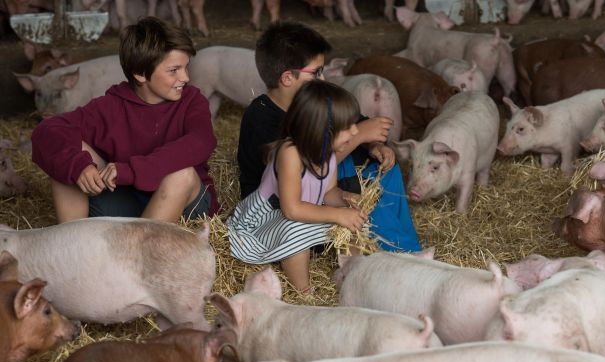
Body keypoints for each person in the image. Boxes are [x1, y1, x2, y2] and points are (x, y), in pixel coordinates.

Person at [237, 21, 422, 252]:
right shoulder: (261, 117)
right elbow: (304, 172)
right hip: (283, 207)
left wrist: (374, 144)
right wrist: (359, 137)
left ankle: (404, 244)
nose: (322, 79)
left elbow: (355, 121)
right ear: (287, 78)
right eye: (316, 72)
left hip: (321, 185)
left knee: (384, 166)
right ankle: (391, 251)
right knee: (357, 180)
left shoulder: (315, 102)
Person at [31, 17, 217, 224]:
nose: (185, 77)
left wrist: (131, 171)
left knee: (181, 175)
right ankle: (75, 245)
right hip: (129, 203)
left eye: (185, 67)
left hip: (187, 206)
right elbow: (47, 130)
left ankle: (140, 253)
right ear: (140, 74)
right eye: (174, 70)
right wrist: (79, 167)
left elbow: (201, 141)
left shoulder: (192, 101)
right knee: (66, 157)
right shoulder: (110, 106)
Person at [228, 80, 367, 293]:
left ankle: (353, 277)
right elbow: (291, 210)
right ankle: (303, 291)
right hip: (262, 221)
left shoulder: (327, 153)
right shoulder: (290, 152)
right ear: (323, 129)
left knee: (355, 220)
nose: (356, 131)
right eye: (348, 126)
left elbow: (329, 192)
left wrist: (347, 199)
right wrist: (337, 215)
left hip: (303, 211)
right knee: (296, 230)